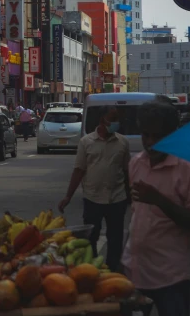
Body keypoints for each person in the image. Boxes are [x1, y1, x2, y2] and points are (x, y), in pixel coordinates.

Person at [122, 100, 190, 316]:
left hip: (171, 278)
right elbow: (136, 214)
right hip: (134, 270)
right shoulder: (136, 163)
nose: (151, 142)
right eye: (145, 135)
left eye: (159, 136)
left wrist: (159, 200)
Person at [58, 106, 130, 272]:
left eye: (117, 120)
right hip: (93, 199)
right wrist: (68, 196)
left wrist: (131, 196)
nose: (115, 124)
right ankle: (93, 270)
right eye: (112, 120)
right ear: (102, 121)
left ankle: (113, 271)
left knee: (115, 239)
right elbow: (79, 170)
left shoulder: (123, 142)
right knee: (91, 238)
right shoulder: (86, 142)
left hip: (117, 199)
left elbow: (127, 171)